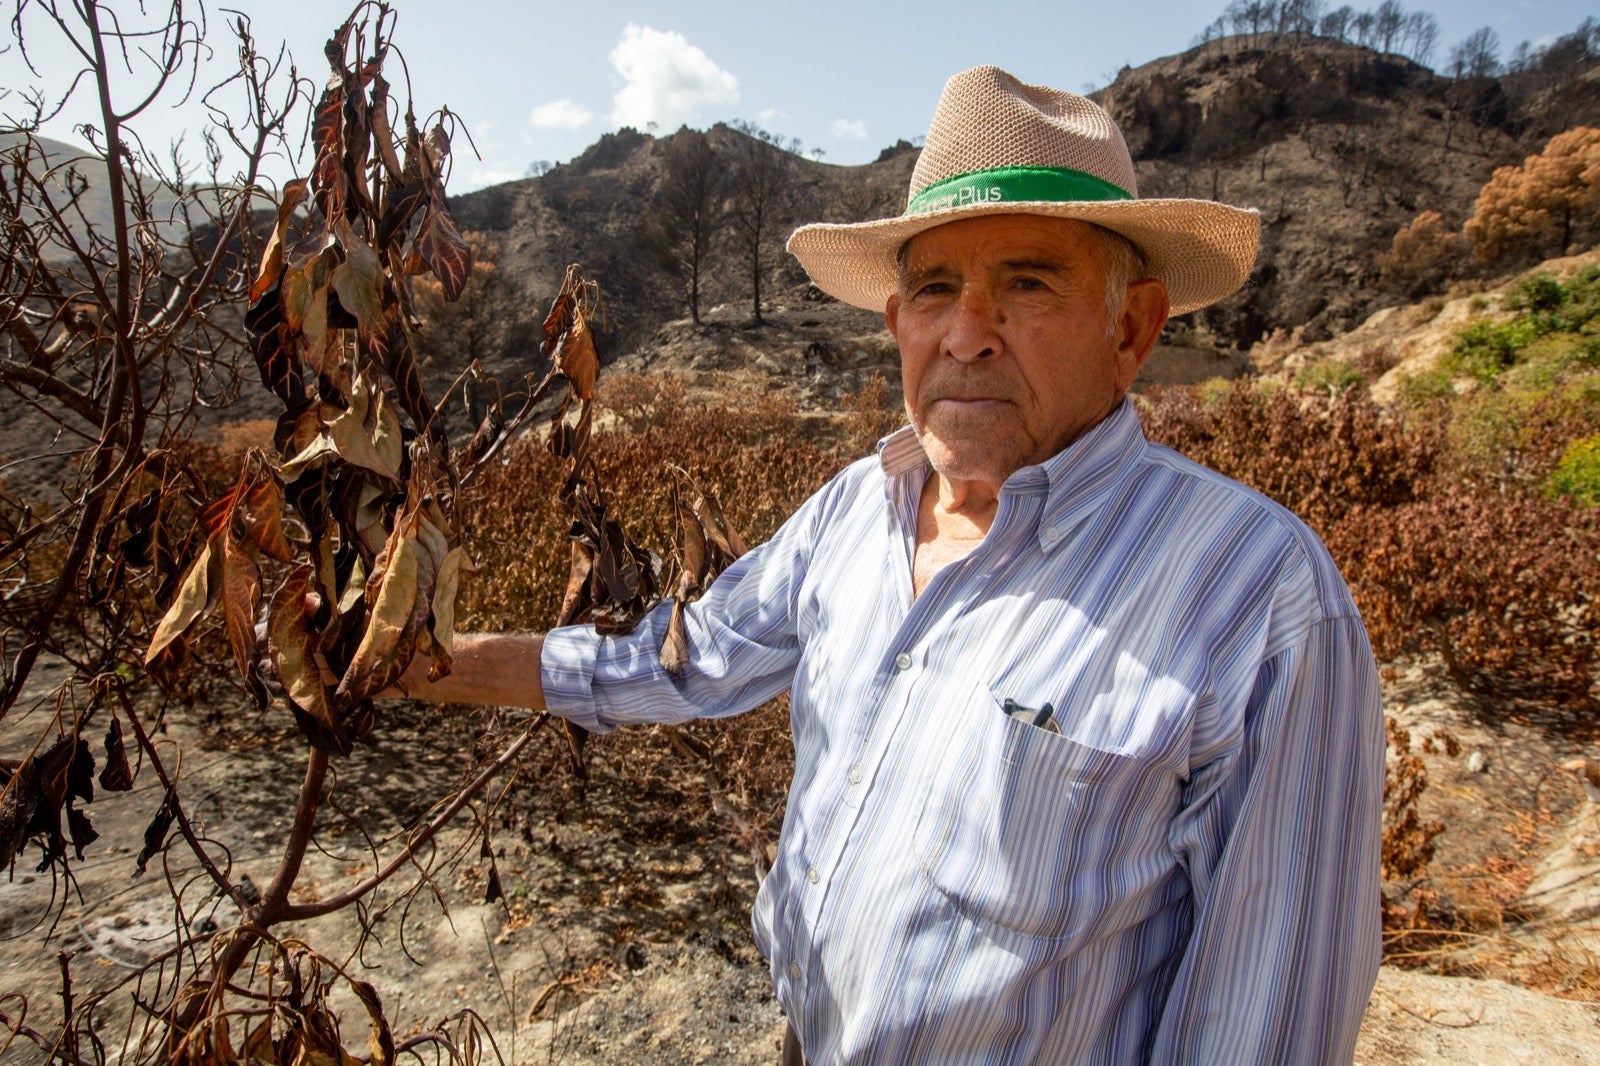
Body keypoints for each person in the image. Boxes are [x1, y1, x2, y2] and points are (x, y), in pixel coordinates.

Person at [405, 66, 1384, 1065]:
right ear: (895, 325)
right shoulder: (852, 511)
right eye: (933, 291)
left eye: (1027, 284)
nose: (966, 335)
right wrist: (429, 660)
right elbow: (687, 662)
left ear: (1131, 327)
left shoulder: (1258, 599)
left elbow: (1268, 1026)